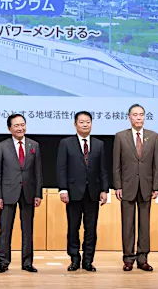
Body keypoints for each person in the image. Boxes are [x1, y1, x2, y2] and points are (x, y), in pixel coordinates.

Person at [56, 111, 109, 272]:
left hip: (93, 192)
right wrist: (63, 189)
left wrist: (104, 190)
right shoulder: (66, 143)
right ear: (75, 124)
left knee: (91, 228)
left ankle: (88, 260)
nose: (85, 124)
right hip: (73, 192)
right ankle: (74, 259)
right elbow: (61, 168)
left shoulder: (99, 144)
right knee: (73, 227)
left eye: (88, 122)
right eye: (82, 122)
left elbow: (103, 170)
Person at [112, 104, 158, 272]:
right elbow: (116, 164)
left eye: (141, 115)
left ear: (144, 117)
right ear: (129, 117)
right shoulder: (120, 136)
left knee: (144, 225)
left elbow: (156, 164)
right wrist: (117, 185)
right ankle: (128, 258)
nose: (138, 118)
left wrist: (156, 186)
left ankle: (143, 258)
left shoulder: (153, 137)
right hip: (127, 186)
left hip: (146, 186)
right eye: (135, 115)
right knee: (128, 224)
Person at [0, 114, 43, 273]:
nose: (20, 128)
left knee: (28, 230)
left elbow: (38, 172)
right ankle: (3, 262)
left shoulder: (33, 145)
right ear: (9, 128)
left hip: (28, 192)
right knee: (5, 229)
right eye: (16, 125)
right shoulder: (2, 146)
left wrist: (38, 193)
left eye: (22, 124)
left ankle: (27, 262)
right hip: (8, 192)